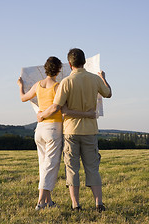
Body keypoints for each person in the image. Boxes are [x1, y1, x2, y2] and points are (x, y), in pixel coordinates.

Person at [37, 49, 112, 212]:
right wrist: (103, 78)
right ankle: (99, 203)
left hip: (71, 131)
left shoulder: (65, 82)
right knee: (92, 167)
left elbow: (57, 106)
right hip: (90, 131)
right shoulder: (94, 79)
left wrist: (42, 115)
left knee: (72, 169)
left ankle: (75, 205)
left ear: (69, 64)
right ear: (84, 62)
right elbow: (108, 94)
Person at [17, 56, 96, 211]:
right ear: (59, 70)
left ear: (45, 69)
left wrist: (20, 85)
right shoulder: (59, 86)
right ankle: (40, 202)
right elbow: (57, 107)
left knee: (43, 165)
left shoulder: (38, 85)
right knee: (51, 166)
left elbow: (23, 98)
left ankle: (48, 201)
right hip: (53, 128)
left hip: (39, 130)